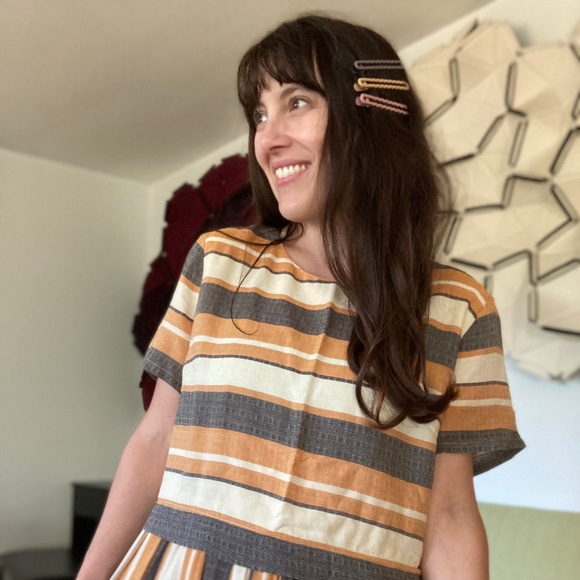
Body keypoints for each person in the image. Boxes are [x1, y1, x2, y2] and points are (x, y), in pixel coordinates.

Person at [77, 15, 524, 580]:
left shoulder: (457, 309)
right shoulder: (219, 262)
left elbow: (451, 512)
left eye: (297, 102)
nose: (267, 139)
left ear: (373, 115)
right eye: (259, 115)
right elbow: (155, 439)